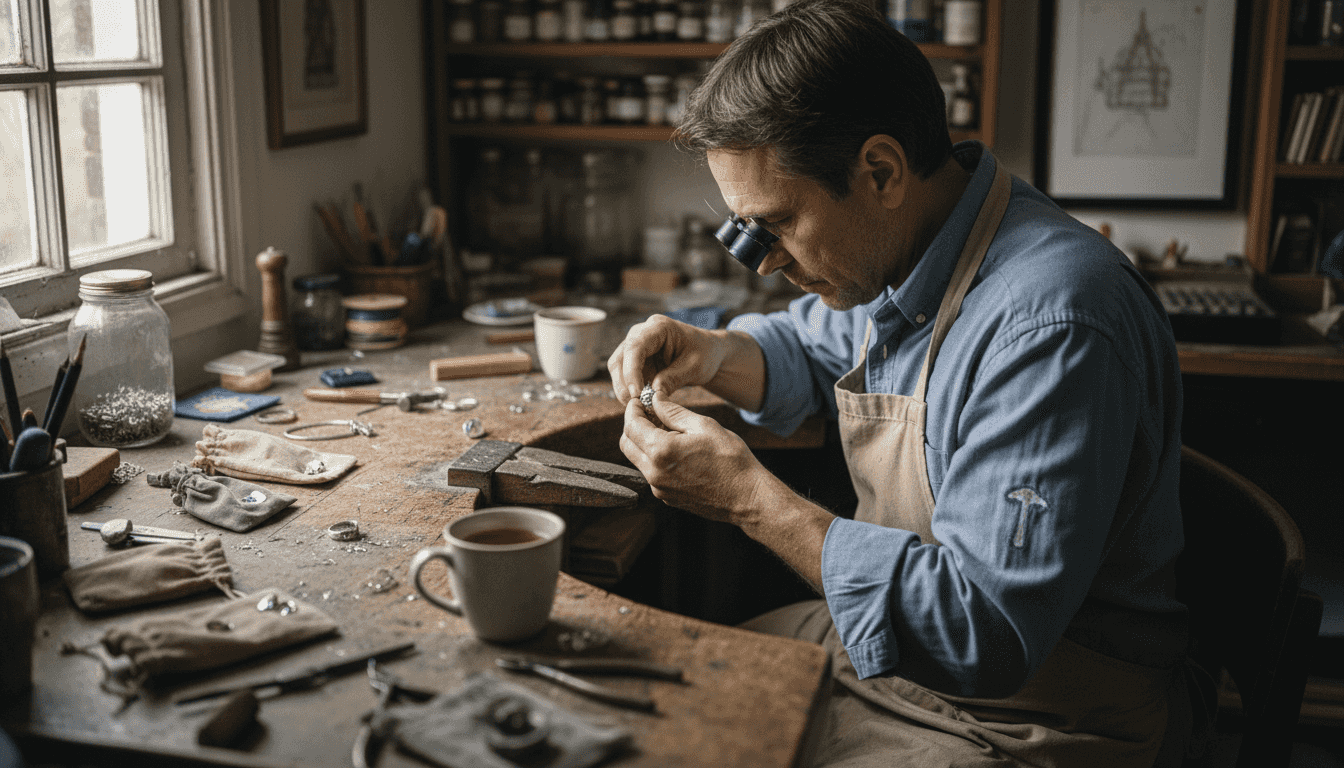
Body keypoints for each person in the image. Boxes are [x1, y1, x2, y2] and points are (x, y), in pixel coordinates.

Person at [608, 1, 1199, 766]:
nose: (764, 262)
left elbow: (983, 631)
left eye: (776, 225)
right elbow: (816, 347)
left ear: (880, 171)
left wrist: (751, 501)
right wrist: (711, 352)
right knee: (655, 700)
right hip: (904, 660)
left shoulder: (1053, 324)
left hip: (1037, 709)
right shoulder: (914, 250)